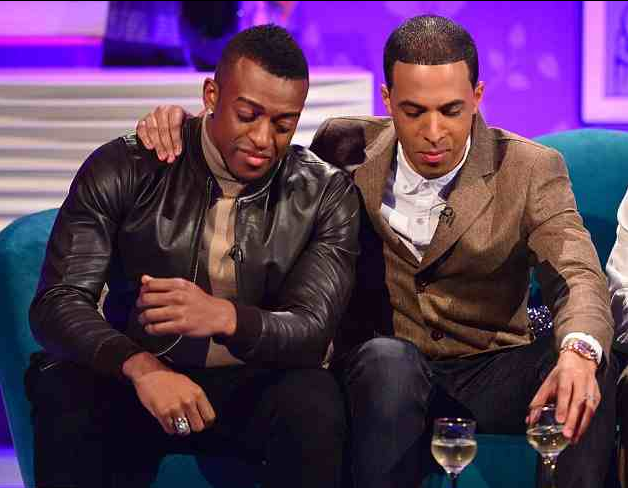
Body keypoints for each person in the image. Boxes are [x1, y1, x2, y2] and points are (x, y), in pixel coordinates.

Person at [136, 15, 618, 488]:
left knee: (590, 369)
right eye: (414, 111)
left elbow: (577, 272)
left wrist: (579, 351)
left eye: (451, 110)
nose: (434, 131)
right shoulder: (343, 145)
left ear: (477, 96)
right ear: (387, 100)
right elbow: (259, 153)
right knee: (389, 362)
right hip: (380, 372)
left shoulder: (530, 168)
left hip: (487, 369)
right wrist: (188, 126)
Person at [27, 25, 359, 488]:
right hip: (138, 378)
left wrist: (226, 317)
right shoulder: (127, 165)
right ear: (211, 95)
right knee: (63, 385)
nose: (263, 138)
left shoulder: (324, 193)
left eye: (284, 124)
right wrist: (141, 367)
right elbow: (57, 302)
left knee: (315, 399)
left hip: (252, 385)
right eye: (247, 115)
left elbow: (311, 329)